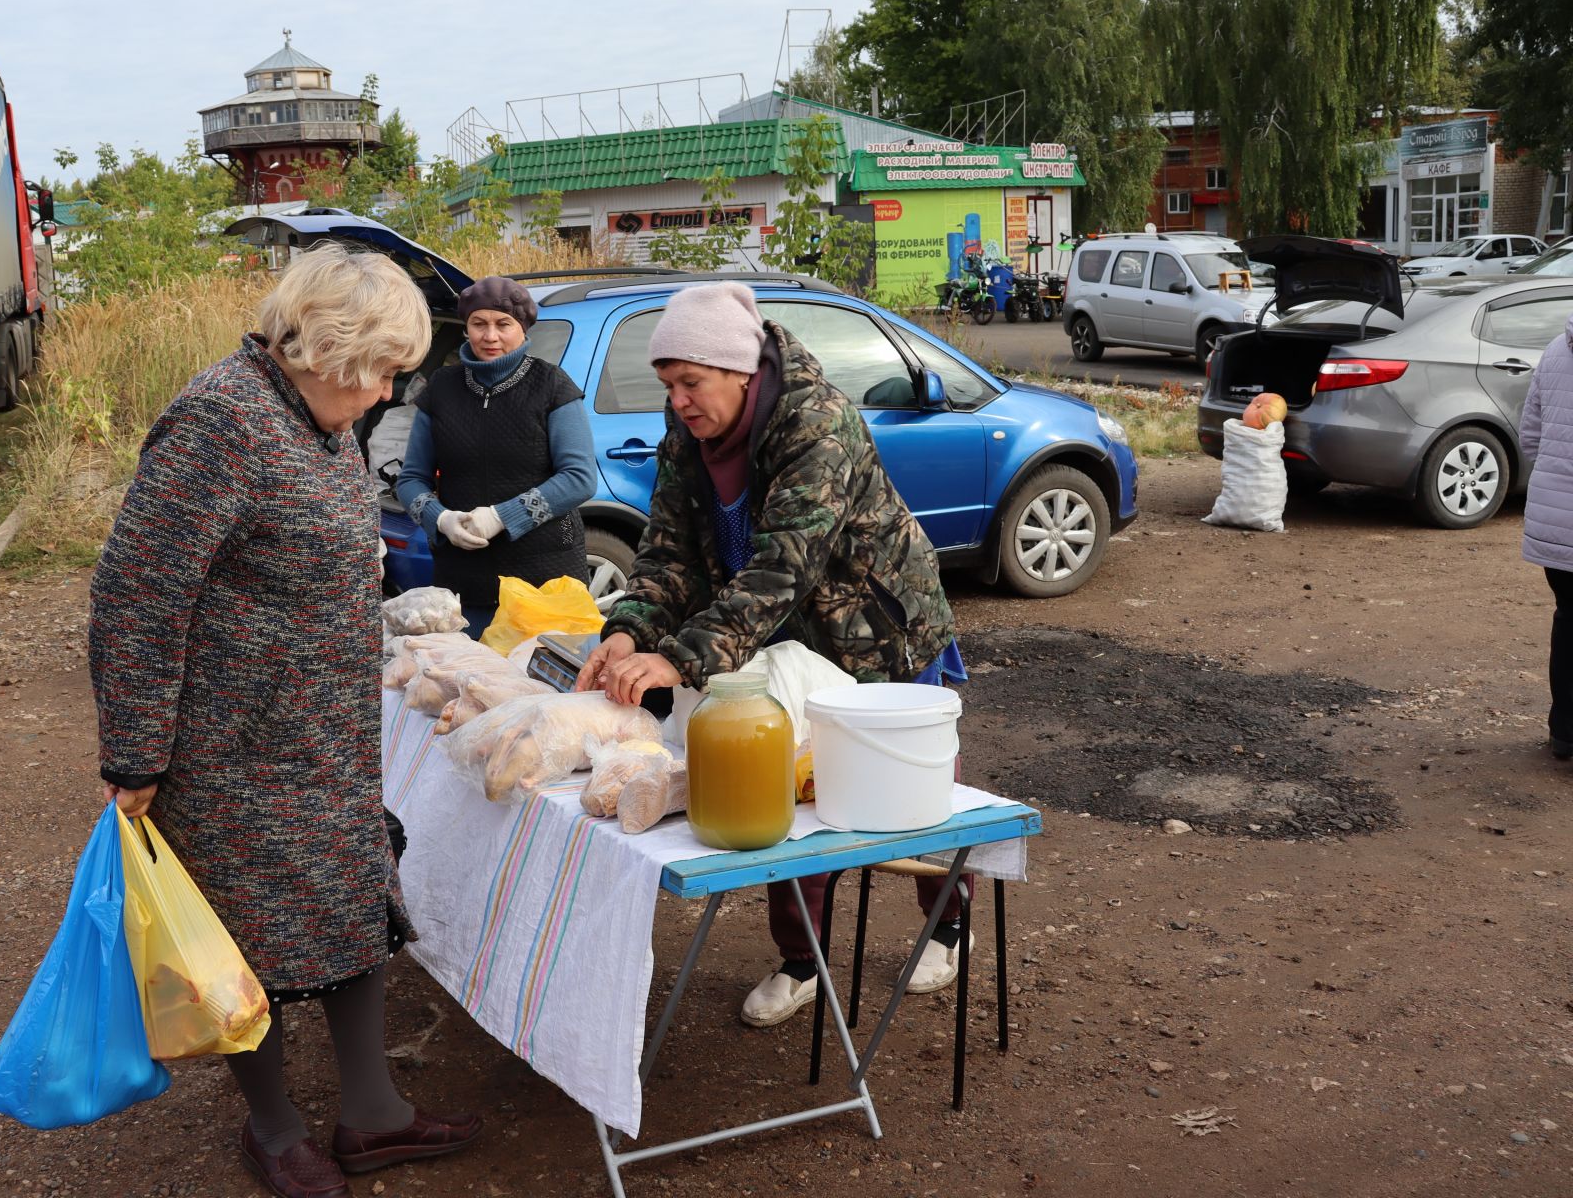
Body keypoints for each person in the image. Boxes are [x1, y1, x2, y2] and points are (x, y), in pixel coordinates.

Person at [90, 245, 482, 1198]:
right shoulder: (220, 422)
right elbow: (138, 597)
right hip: (230, 749)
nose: (389, 392)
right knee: (244, 941)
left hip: (322, 739)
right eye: (385, 369)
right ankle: (272, 1129)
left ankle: (373, 1113)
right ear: (333, 347)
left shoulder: (319, 418)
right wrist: (137, 752)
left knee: (352, 908)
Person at [576, 281, 971, 1029]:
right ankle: (804, 961)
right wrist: (629, 629)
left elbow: (784, 565)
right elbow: (667, 552)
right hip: (778, 641)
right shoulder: (685, 431)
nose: (681, 401)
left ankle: (947, 921)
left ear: (739, 371)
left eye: (691, 383)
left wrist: (681, 659)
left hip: (877, 630)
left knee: (918, 794)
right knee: (787, 791)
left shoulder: (817, 420)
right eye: (669, 385)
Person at [395, 275, 595, 636]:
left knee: (540, 686)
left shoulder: (552, 385)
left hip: (544, 580)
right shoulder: (441, 388)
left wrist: (503, 517)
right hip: (463, 581)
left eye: (503, 324)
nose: (490, 336)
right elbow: (410, 480)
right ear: (466, 327)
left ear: (523, 328)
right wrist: (441, 521)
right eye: (479, 324)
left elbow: (579, 479)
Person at [1520, 306, 1573, 761]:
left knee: (1568, 619)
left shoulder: (1557, 348)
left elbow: (1530, 439)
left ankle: (1564, 733)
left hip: (1555, 525)